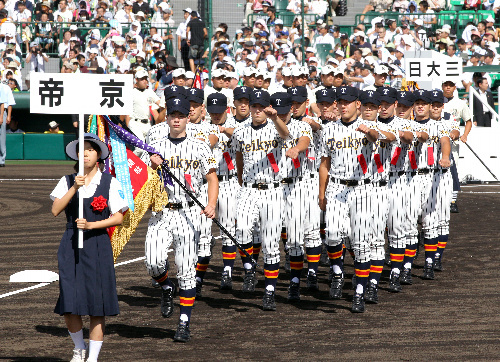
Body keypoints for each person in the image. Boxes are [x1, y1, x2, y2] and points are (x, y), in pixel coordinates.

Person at [141, 97, 218, 342]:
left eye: (181, 115)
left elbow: (212, 178)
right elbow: (141, 179)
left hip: (188, 214)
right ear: (167, 118)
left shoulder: (200, 146)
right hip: (160, 213)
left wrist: (212, 204)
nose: (176, 118)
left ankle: (184, 322)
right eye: (172, 114)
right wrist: (152, 166)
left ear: (187, 118)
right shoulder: (154, 146)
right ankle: (165, 287)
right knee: (153, 263)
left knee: (186, 271)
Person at [50, 133, 127, 362]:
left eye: (90, 150)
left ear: (99, 155)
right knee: (70, 302)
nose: (85, 154)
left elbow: (118, 217)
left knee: (97, 303)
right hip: (71, 244)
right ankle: (78, 347)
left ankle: (92, 358)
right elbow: (55, 209)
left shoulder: (109, 182)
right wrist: (74, 187)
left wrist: (92, 224)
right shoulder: (67, 180)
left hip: (97, 244)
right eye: (81, 150)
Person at [318, 86, 380, 313]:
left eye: (348, 101)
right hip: (336, 187)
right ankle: (337, 272)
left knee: (362, 243)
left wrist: (367, 131)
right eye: (340, 101)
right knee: (333, 235)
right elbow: (324, 164)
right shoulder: (329, 130)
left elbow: (376, 138)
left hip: (363, 189)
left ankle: (360, 292)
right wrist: (321, 193)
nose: (343, 105)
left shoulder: (371, 125)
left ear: (358, 104)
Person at [231, 89, 289, 310]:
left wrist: (275, 118)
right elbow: (237, 154)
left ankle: (270, 290)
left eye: (260, 107)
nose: (256, 110)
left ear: (268, 108)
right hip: (248, 188)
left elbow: (286, 135)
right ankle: (249, 268)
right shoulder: (240, 131)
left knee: (271, 244)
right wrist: (240, 179)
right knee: (242, 231)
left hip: (273, 190)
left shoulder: (276, 127)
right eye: (253, 106)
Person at [0, 79, 14, 167]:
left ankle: (1, 160)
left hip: (2, 111)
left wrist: (6, 116)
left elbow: (8, 103)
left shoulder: (4, 87)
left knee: (1, 137)